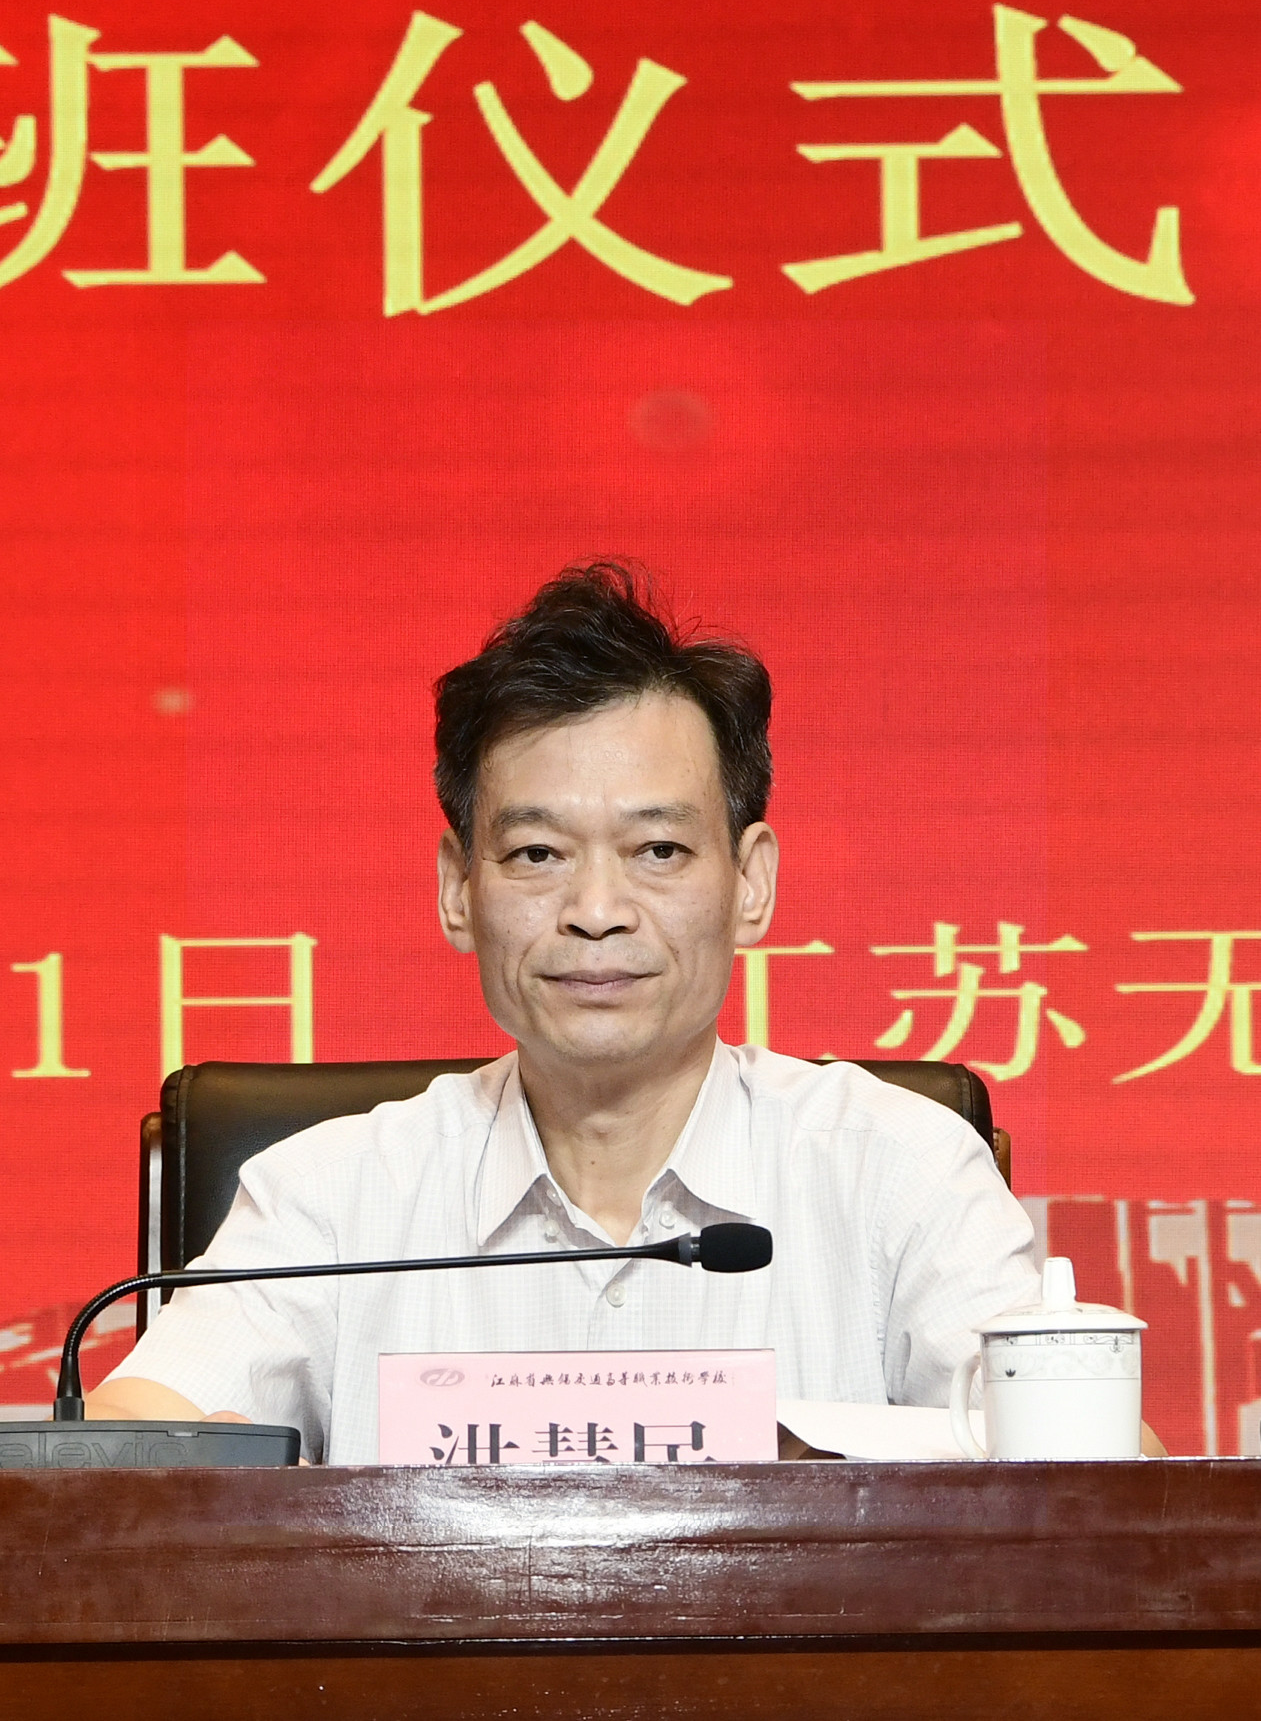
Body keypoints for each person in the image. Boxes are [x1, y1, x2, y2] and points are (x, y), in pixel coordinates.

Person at [89, 562, 1040, 1464]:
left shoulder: (899, 1173)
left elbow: (1074, 1469)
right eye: (537, 854)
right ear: (459, 889)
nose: (595, 910)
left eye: (658, 850)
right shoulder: (333, 1199)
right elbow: (127, 1437)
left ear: (750, 883)